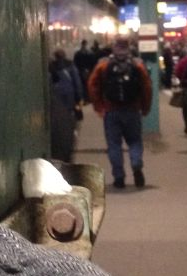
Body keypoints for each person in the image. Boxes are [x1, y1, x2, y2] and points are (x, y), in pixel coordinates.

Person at [88, 38, 153, 188]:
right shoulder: (137, 64)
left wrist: (99, 106)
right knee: (135, 141)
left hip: (111, 111)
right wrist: (145, 107)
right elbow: (147, 87)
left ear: (113, 47)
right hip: (133, 110)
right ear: (129, 47)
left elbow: (92, 85)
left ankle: (119, 177)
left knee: (114, 145)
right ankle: (136, 163)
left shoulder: (103, 64)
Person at [48, 49, 84, 163]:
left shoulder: (51, 68)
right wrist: (79, 100)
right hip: (68, 103)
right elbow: (77, 84)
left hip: (55, 103)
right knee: (67, 126)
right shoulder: (70, 66)